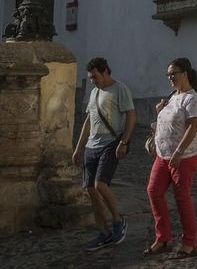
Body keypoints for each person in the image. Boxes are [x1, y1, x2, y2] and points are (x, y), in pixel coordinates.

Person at [71, 57, 137, 251]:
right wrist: (78, 147)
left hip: (111, 143)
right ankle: (103, 231)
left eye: (95, 77)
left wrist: (124, 142)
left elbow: (131, 115)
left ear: (106, 71)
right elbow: (88, 120)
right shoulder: (93, 93)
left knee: (101, 184)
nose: (93, 80)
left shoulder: (119, 89)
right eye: (90, 78)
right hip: (92, 146)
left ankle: (118, 221)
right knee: (90, 189)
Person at [145, 57, 197, 258]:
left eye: (174, 73)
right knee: (154, 191)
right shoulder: (171, 97)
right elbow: (164, 123)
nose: (170, 77)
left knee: (182, 198)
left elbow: (193, 126)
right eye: (168, 74)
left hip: (184, 156)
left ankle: (190, 243)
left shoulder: (192, 99)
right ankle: (163, 238)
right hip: (163, 155)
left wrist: (179, 152)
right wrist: (153, 136)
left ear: (185, 74)